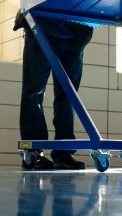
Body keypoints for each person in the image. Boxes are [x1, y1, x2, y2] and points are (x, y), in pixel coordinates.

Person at [14, 10, 94, 170]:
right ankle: (34, 152)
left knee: (67, 97)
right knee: (34, 93)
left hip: (73, 34)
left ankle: (63, 153)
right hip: (42, 26)